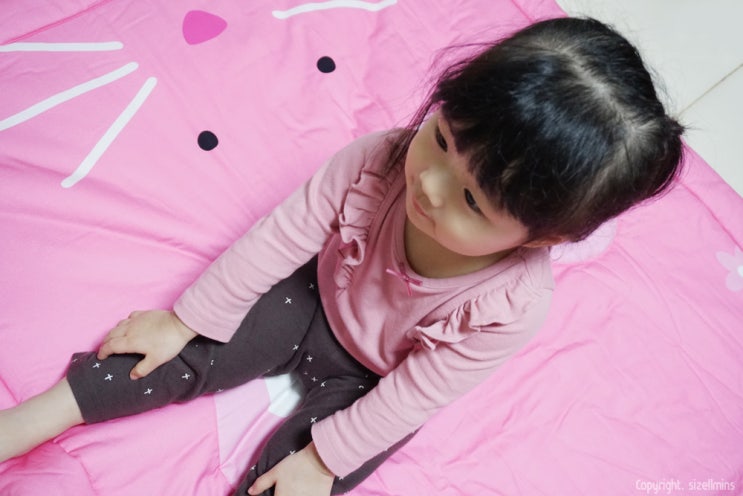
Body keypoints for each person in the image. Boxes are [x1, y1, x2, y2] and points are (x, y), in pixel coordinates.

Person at [0, 17, 684, 496]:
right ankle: (41, 415)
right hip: (310, 298)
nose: (429, 185)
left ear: (538, 238)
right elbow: (282, 234)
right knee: (183, 349)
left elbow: (413, 395)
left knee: (300, 478)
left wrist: (323, 461)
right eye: (442, 139)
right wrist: (184, 320)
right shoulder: (379, 158)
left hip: (374, 383)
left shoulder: (510, 306)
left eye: (471, 201)